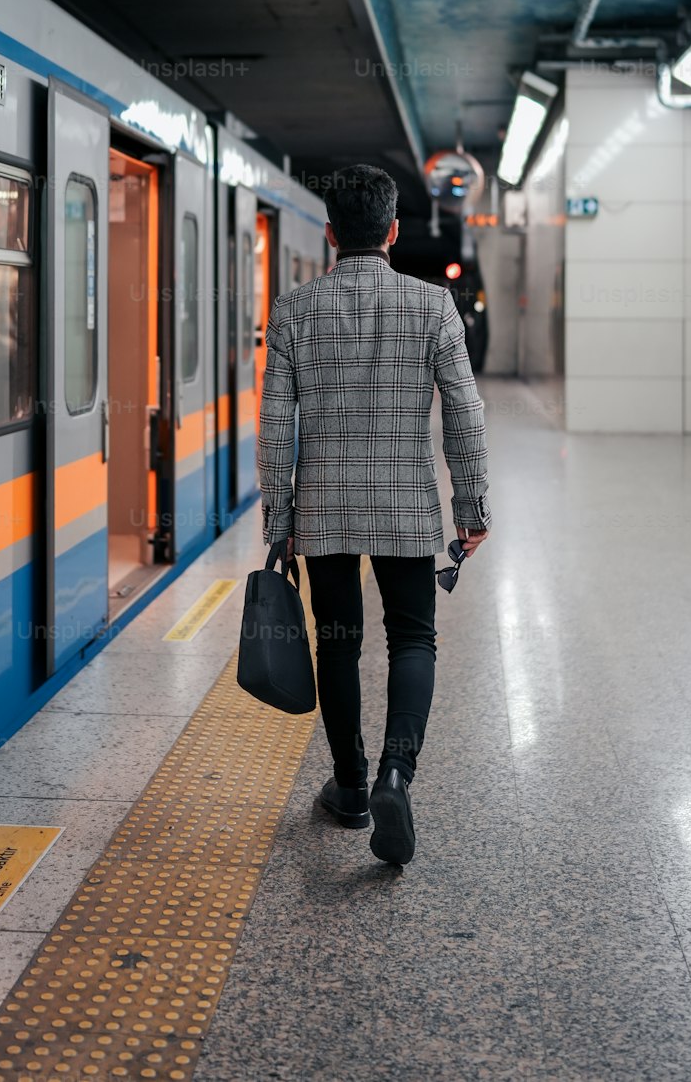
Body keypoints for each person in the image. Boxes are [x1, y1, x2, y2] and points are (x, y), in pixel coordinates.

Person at [257, 165, 491, 865]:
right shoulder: (432, 306)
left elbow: (274, 425)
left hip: (324, 509)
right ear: (392, 231)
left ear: (331, 234)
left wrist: (279, 517)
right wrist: (471, 504)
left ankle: (352, 786)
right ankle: (397, 773)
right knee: (413, 639)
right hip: (408, 505)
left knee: (338, 643)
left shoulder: (294, 309)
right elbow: (465, 409)